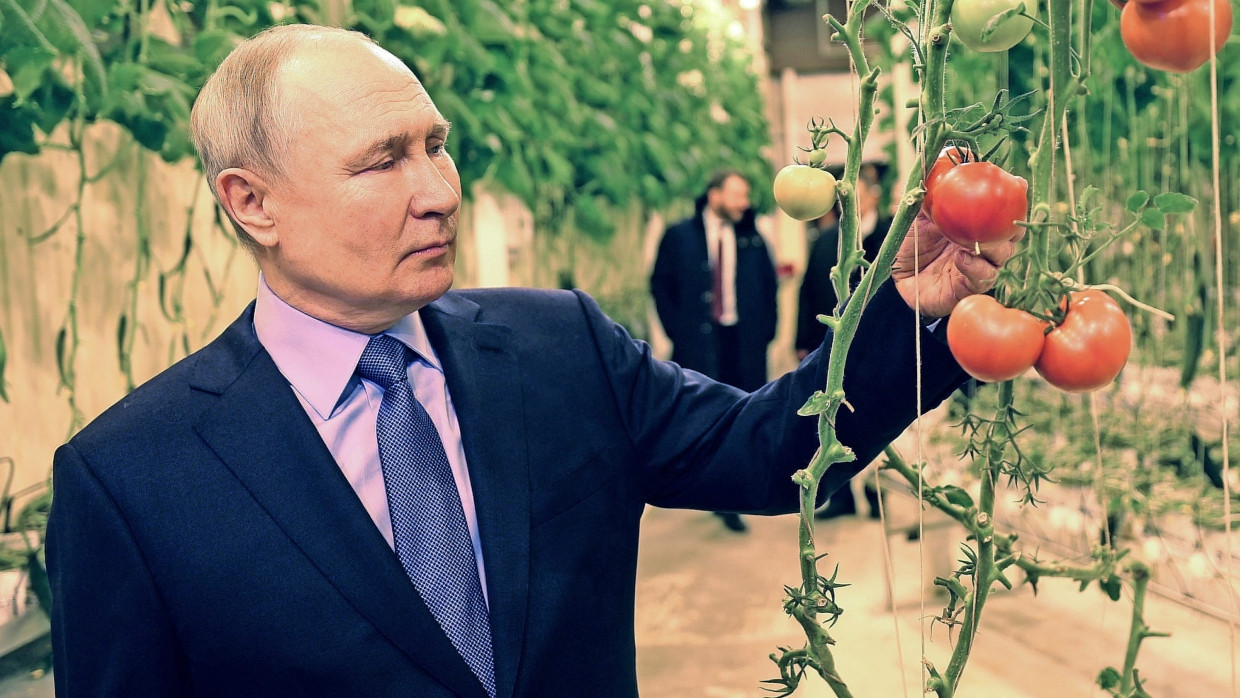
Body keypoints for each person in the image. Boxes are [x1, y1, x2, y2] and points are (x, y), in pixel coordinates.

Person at [45, 25, 1015, 698]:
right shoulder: (135, 480)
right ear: (251, 201)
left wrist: (909, 310)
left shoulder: (558, 349)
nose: (438, 191)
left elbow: (765, 449)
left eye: (437, 146)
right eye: (384, 161)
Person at [649, 170, 778, 533]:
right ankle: (715, 489)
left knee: (745, 411)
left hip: (744, 343)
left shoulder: (752, 238)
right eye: (737, 194)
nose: (744, 203)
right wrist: (678, 329)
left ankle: (737, 489)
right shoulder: (679, 236)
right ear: (714, 195)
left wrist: (765, 333)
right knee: (705, 416)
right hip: (701, 343)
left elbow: (768, 287)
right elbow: (660, 284)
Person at [795, 164, 894, 521]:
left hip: (880, 343)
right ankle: (840, 496)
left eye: (858, 194)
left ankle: (878, 491)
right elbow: (808, 291)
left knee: (877, 415)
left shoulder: (891, 235)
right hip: (832, 345)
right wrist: (802, 341)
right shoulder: (825, 240)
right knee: (833, 417)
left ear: (872, 196)